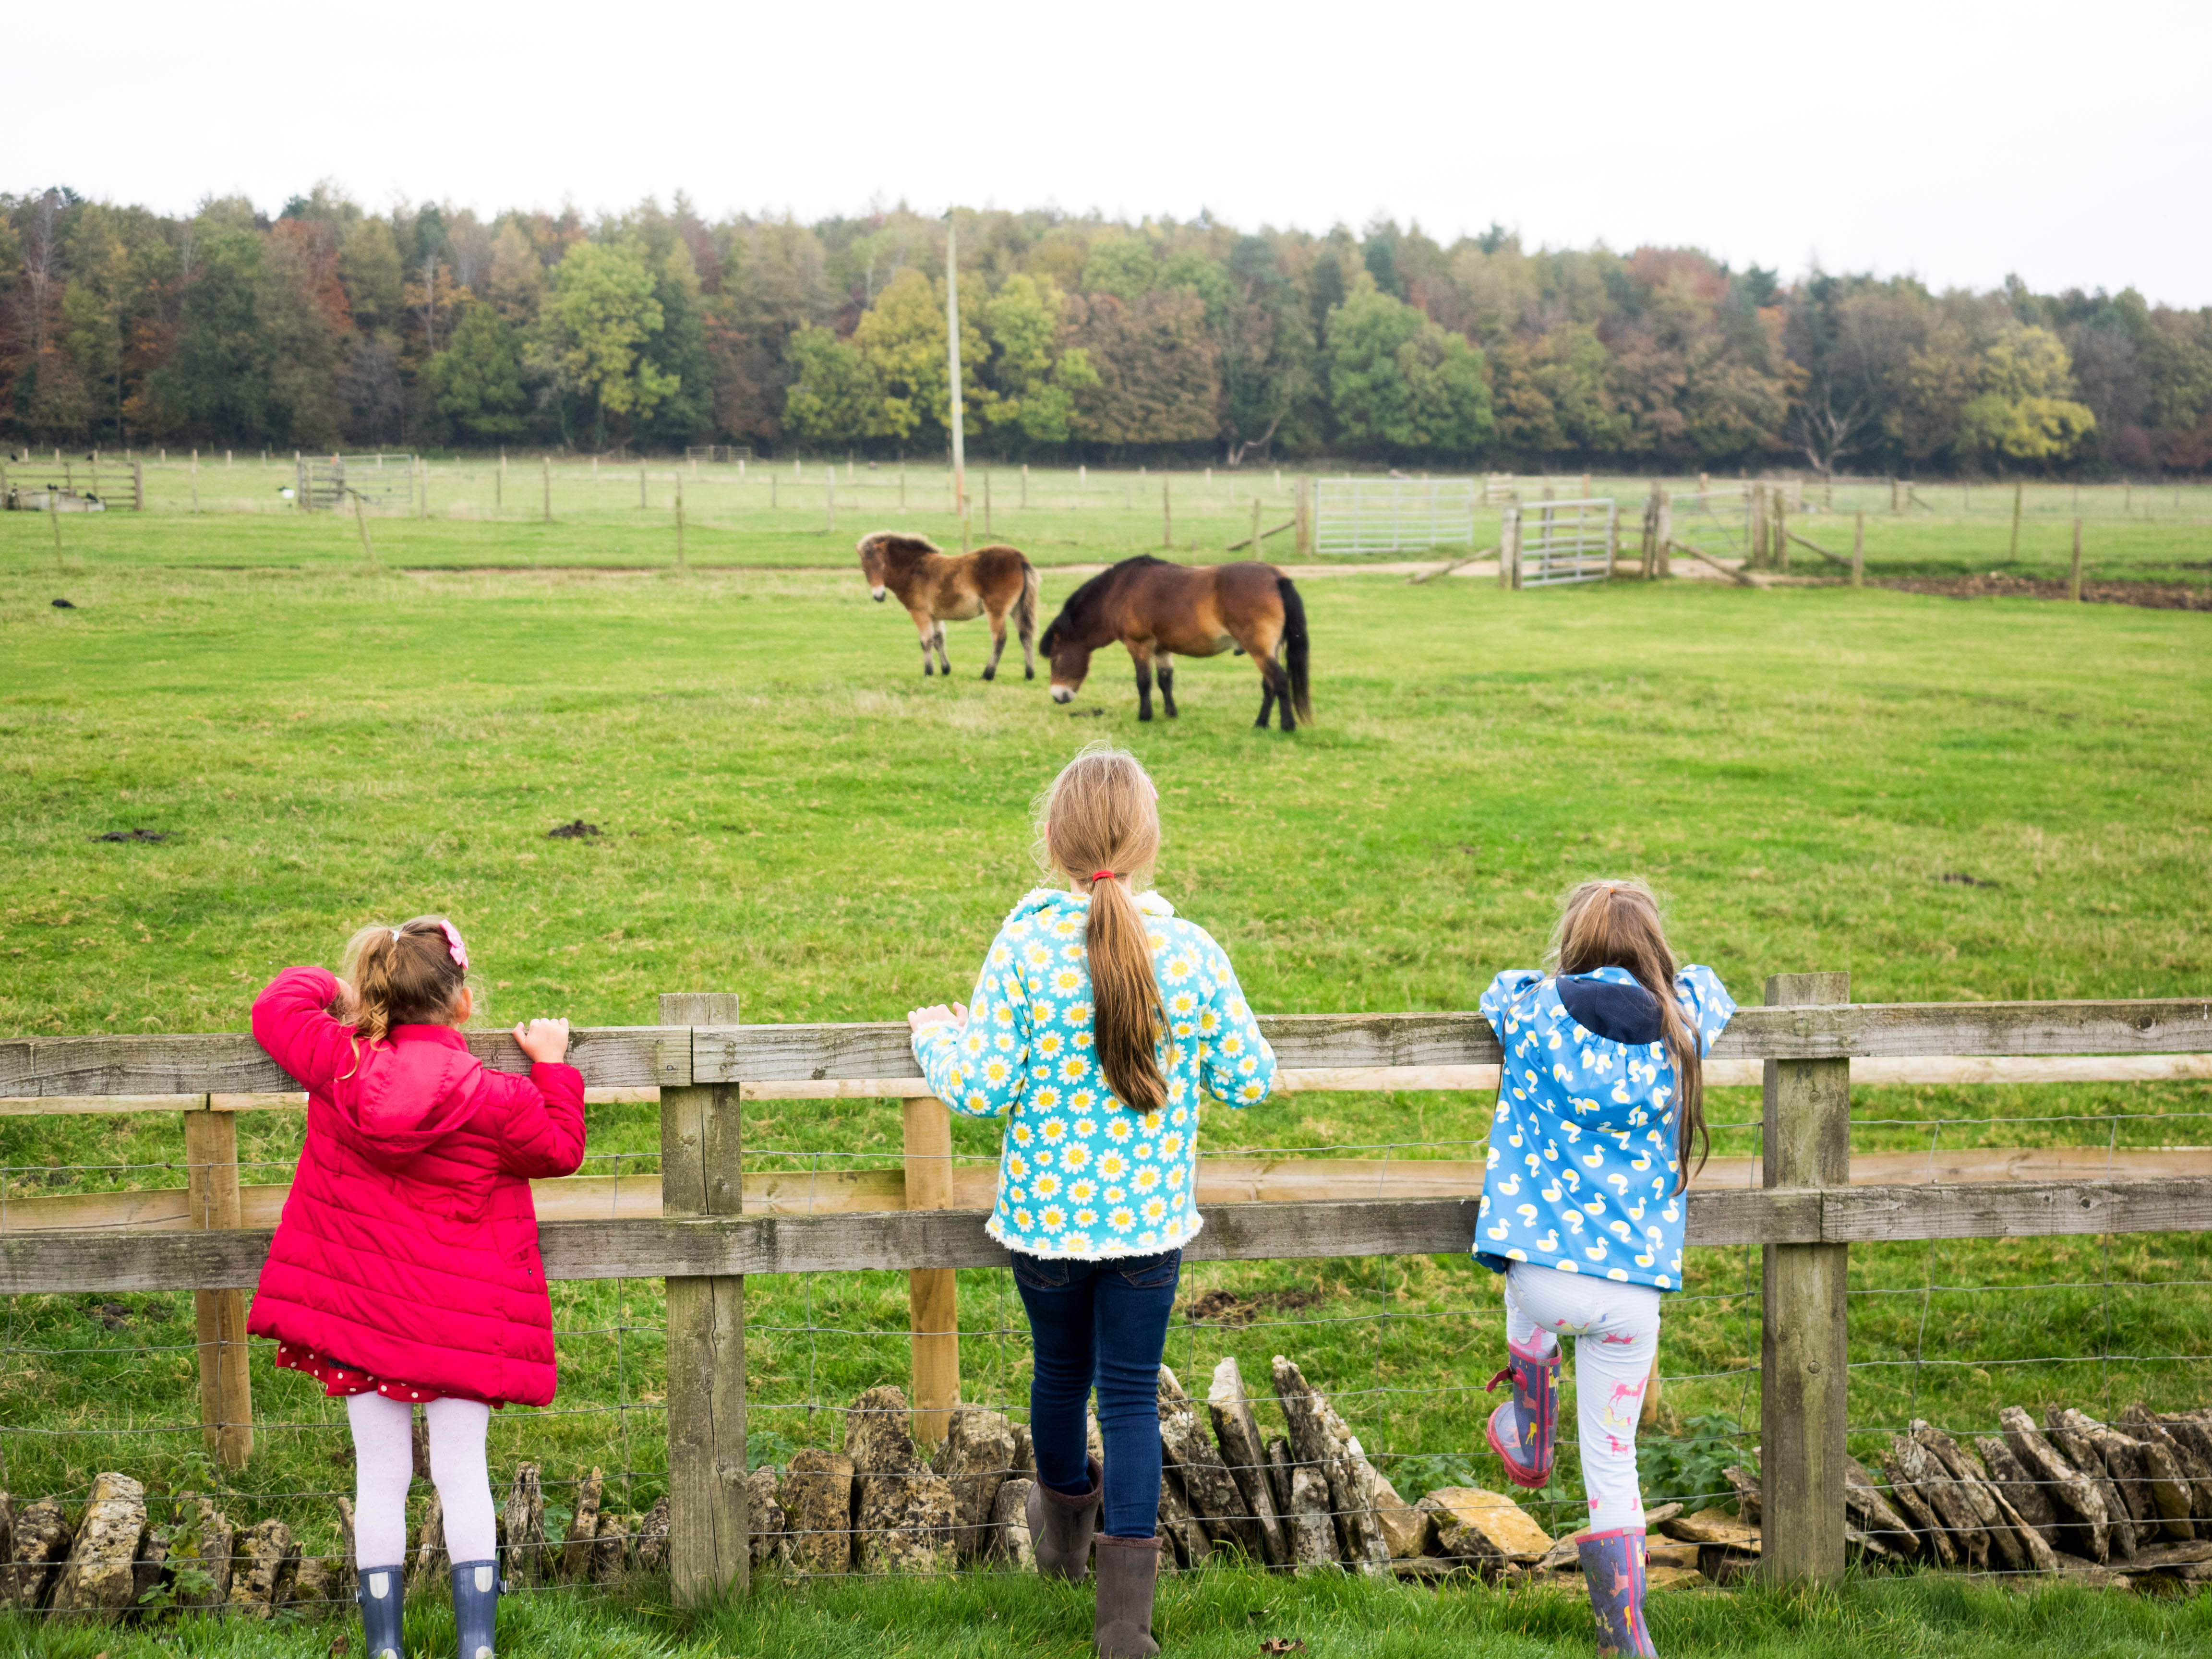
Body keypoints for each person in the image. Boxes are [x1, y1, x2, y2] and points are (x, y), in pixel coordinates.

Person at [908, 745, 1274, 1657]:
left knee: (1059, 1378)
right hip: (1149, 1226)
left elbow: (982, 1085)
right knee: (1129, 1404)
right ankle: (1123, 1630)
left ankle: (1061, 1556)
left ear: (1053, 840)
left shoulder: (1026, 945)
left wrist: (934, 1040)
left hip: (1046, 1227)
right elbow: (1251, 1078)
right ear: (1147, 840)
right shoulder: (1187, 952)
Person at [248, 917, 585, 1659]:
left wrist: (335, 991)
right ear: (462, 1005)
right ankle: (477, 1647)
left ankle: (385, 1649)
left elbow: (275, 1007)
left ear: (376, 993)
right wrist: (554, 1067)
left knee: (381, 1475)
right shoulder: (499, 1096)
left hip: (361, 1320)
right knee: (464, 1472)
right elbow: (561, 1150)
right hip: (463, 1324)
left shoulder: (339, 1064)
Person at [1475, 880, 1734, 1657]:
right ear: (1654, 950)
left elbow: (1499, 989)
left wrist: (1564, 976)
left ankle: (1528, 1426)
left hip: (1544, 1284)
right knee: (1614, 1460)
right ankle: (1625, 1639)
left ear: (1574, 945)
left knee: (1525, 1260)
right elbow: (1713, 986)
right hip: (1632, 1301)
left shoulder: (1535, 1012)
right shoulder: (1685, 1025)